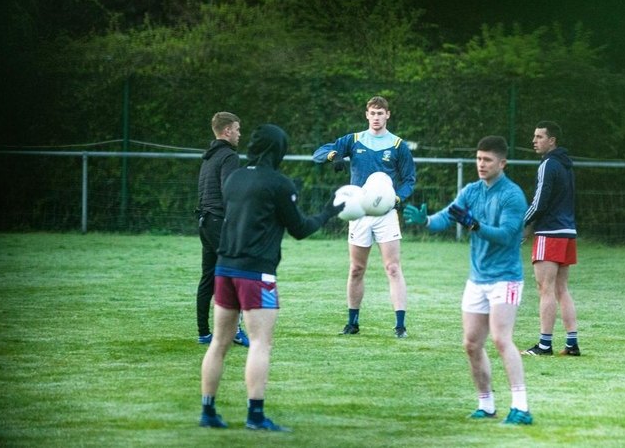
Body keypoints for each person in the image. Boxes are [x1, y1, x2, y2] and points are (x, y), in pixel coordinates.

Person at [199, 124, 345, 431]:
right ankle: (255, 417)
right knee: (260, 343)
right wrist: (329, 211)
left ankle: (208, 412)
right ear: (278, 150)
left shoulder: (235, 178)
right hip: (256, 274)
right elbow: (300, 228)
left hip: (224, 268)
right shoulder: (279, 183)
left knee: (219, 344)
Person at [403, 136, 533, 425]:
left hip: (505, 279)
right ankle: (486, 405)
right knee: (472, 343)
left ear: (502, 162)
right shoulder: (472, 191)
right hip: (477, 280)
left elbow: (507, 235)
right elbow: (448, 217)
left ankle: (521, 408)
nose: (481, 164)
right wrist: (426, 221)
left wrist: (475, 224)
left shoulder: (513, 195)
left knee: (501, 339)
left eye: (487, 160)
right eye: (478, 159)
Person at [313, 96, 416, 338]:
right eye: (373, 113)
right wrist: (334, 156)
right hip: (358, 214)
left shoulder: (398, 145)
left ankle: (400, 326)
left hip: (386, 214)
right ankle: (353, 323)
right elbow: (319, 152)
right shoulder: (354, 140)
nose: (377, 117)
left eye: (381, 113)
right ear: (366, 115)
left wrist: (397, 199)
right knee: (357, 269)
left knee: (392, 267)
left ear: (388, 115)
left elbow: (409, 179)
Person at [521, 121, 581, 357]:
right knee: (561, 289)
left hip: (550, 233)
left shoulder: (548, 164)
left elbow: (539, 202)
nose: (534, 141)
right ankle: (572, 344)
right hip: (567, 232)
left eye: (539, 137)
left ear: (552, 140)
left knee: (545, 289)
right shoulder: (567, 165)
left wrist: (521, 224)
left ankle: (544, 345)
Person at [195, 112, 248, 347]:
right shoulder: (229, 156)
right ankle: (235, 331)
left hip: (205, 222)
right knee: (237, 273)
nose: (239, 133)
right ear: (227, 131)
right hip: (219, 222)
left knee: (208, 277)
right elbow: (229, 192)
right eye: (237, 129)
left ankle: (204, 333)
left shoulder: (209, 156)